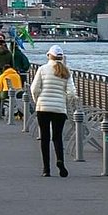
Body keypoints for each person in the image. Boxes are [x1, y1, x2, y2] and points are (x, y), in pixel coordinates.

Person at [30, 44, 77, 178]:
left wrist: (37, 101)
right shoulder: (66, 71)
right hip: (59, 109)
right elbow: (72, 93)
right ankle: (60, 161)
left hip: (43, 108)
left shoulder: (42, 69)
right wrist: (65, 103)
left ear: (49, 56)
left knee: (44, 138)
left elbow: (34, 88)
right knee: (57, 137)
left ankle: (46, 169)